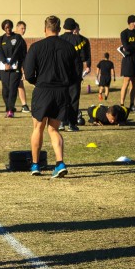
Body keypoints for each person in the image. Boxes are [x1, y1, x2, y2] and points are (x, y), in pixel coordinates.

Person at [24, 16, 80, 178]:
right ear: (59, 29)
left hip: (43, 90)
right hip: (62, 92)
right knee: (54, 129)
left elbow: (28, 73)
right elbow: (76, 74)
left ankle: (35, 165)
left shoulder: (36, 47)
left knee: (38, 128)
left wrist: (37, 82)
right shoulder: (70, 48)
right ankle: (60, 163)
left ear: (45, 29)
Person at [59, 17, 87, 132]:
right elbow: (84, 57)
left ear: (64, 27)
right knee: (73, 99)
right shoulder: (80, 40)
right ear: (74, 27)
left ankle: (61, 122)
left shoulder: (59, 39)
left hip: (61, 74)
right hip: (75, 74)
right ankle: (72, 124)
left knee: (61, 99)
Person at [0, 19, 26, 118]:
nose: (8, 29)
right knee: (5, 89)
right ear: (3, 28)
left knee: (13, 88)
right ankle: (9, 107)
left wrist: (11, 62)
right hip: (4, 67)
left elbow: (17, 51)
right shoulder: (0, 39)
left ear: (12, 27)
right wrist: (5, 63)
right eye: (6, 27)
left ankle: (10, 110)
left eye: (9, 27)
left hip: (15, 67)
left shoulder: (17, 37)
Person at [15, 21, 30, 113]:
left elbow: (24, 56)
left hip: (18, 66)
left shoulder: (22, 41)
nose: (24, 30)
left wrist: (24, 70)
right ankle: (10, 106)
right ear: (17, 28)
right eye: (22, 28)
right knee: (10, 86)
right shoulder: (10, 38)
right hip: (8, 67)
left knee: (20, 84)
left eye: (25, 29)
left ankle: (24, 105)